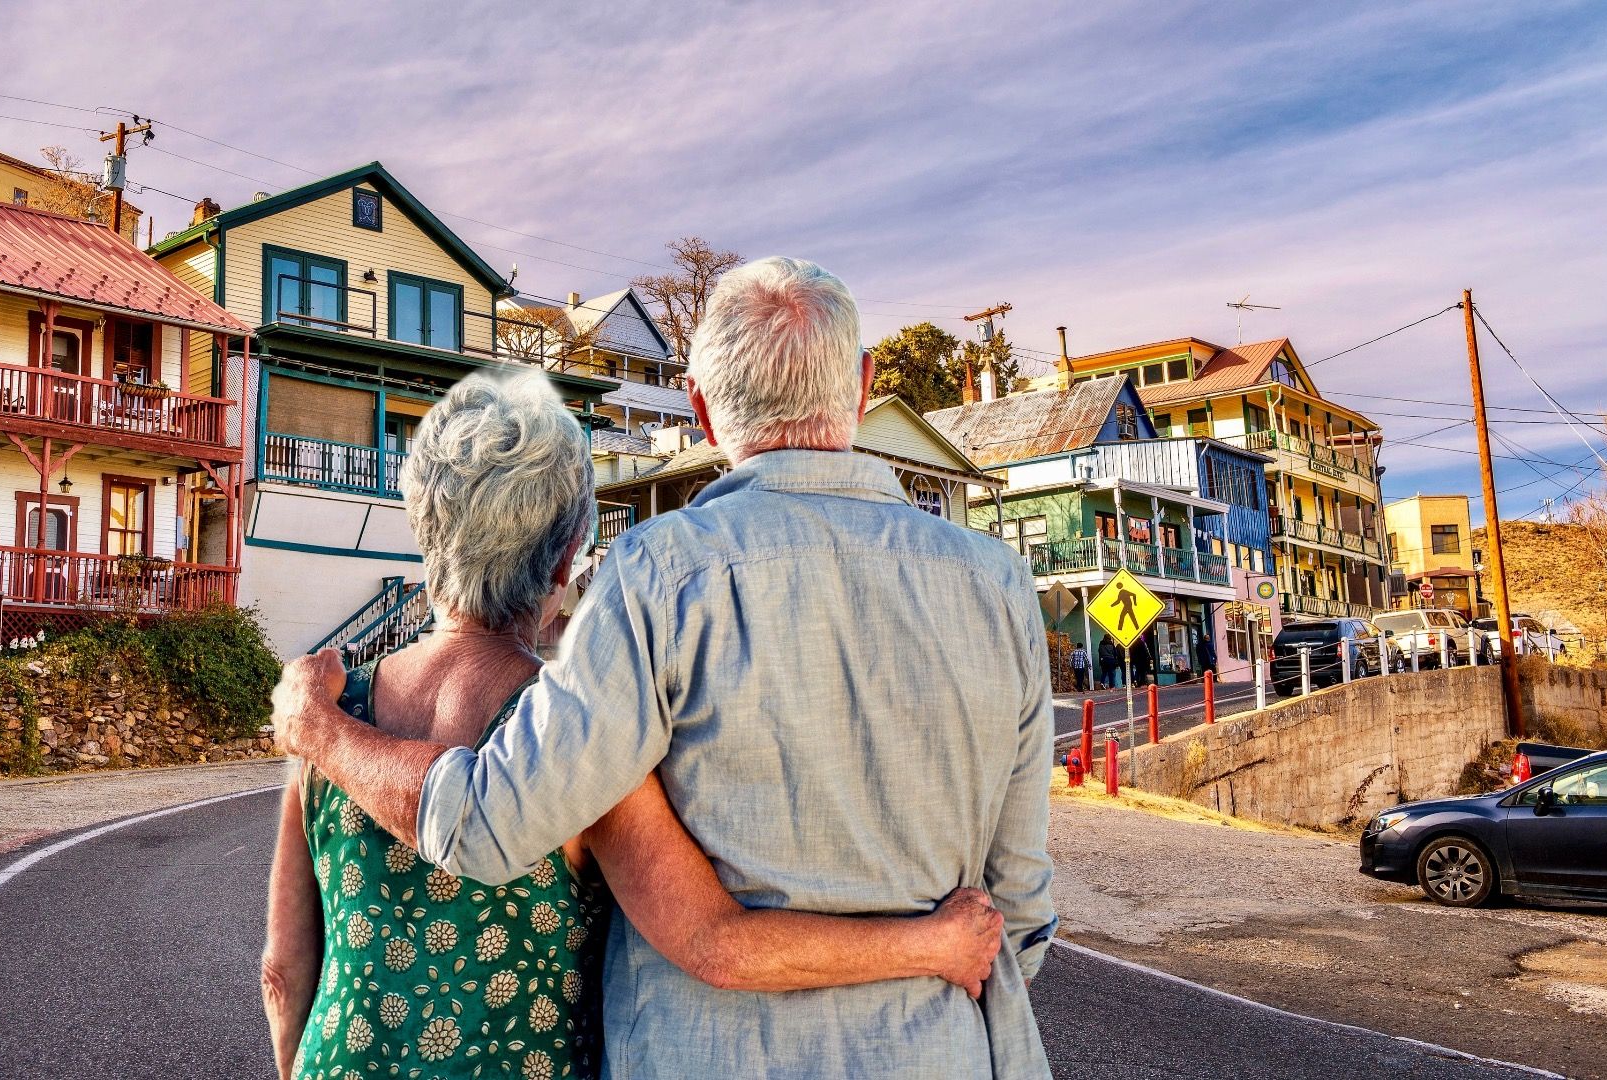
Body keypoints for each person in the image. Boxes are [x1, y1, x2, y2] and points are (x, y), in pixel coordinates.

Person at [274, 256, 1057, 1079]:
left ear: (702, 410)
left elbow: (490, 823)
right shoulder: (998, 582)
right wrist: (930, 957)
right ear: (863, 387)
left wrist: (319, 728)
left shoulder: (660, 575)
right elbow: (1020, 906)